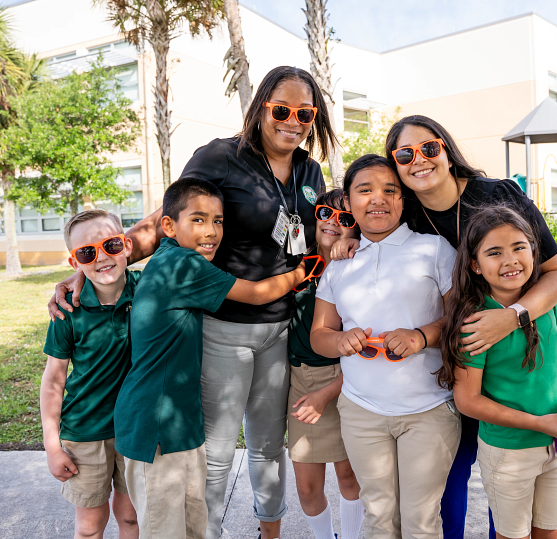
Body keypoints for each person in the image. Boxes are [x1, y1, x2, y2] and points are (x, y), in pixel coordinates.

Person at [49, 66, 338, 539]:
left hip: (279, 328)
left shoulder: (308, 169)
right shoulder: (223, 157)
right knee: (220, 451)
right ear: (261, 107)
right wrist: (99, 258)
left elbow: (311, 235)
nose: (293, 120)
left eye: (305, 112)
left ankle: (271, 533)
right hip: (226, 325)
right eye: (281, 109)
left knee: (268, 445)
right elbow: (170, 216)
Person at [331, 115, 557, 538]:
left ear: (446, 148)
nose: (419, 160)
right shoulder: (414, 219)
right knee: (448, 487)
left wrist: (511, 318)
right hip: (458, 366)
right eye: (404, 155)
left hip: (516, 354)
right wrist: (354, 240)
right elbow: (378, 232)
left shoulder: (500, 195)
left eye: (429, 148)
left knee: (515, 480)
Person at [113, 179, 307, 539]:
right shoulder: (183, 265)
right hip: (154, 426)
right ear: (168, 226)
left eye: (218, 221)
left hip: (178, 424)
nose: (212, 231)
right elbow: (255, 293)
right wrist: (301, 272)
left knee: (192, 528)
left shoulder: (168, 261)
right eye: (198, 220)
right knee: (165, 531)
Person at [310, 155, 461, 539]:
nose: (378, 199)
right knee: (377, 517)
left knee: (421, 520)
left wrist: (420, 336)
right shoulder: (339, 264)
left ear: (403, 200)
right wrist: (342, 339)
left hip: (428, 410)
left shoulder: (435, 249)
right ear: (348, 201)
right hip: (362, 411)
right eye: (365, 190)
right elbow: (320, 334)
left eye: (390, 190)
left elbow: (459, 320)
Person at [440, 205, 557, 539]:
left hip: (555, 444)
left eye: (519, 247)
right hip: (509, 452)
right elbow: (468, 400)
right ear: (475, 265)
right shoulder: (476, 323)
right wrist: (539, 423)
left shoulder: (546, 304)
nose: (510, 260)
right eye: (494, 252)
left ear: (534, 252)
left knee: (552, 533)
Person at [40, 209, 139, 539]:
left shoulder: (148, 291)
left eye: (110, 244)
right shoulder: (67, 309)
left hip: (135, 431)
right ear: (74, 263)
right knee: (90, 525)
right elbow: (54, 379)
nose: (100, 257)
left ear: (126, 245)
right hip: (85, 432)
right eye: (86, 252)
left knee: (130, 518)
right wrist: (53, 446)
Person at [287, 188, 364, 539]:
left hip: (346, 378)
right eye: (325, 213)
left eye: (345, 218)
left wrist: (327, 393)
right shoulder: (294, 263)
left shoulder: (358, 268)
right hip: (301, 379)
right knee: (306, 486)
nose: (333, 222)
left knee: (350, 477)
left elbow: (363, 348)